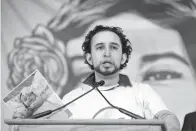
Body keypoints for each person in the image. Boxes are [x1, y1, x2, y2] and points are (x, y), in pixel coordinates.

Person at [62, 25, 180, 130]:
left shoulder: (142, 91)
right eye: (99, 48)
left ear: (123, 58)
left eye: (113, 47)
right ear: (89, 58)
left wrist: (170, 124)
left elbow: (167, 117)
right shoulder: (71, 99)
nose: (107, 53)